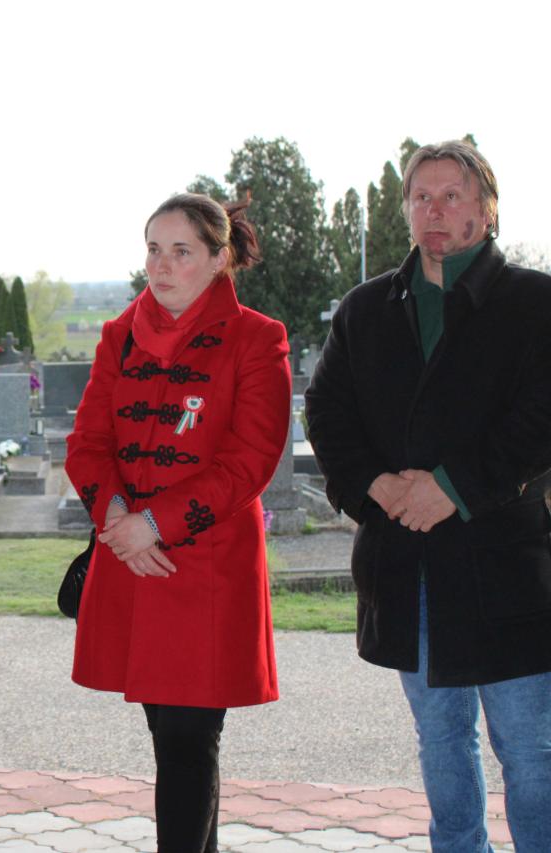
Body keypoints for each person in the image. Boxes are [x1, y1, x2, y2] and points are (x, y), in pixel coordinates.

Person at [305, 140, 551, 852]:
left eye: (451, 196)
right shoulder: (366, 308)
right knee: (441, 739)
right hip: (406, 561)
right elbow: (327, 411)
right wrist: (374, 485)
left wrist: (453, 487)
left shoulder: (535, 303)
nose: (434, 211)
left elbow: (541, 418)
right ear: (406, 209)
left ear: (487, 209)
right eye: (421, 197)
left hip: (507, 563)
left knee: (530, 750)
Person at [66, 194, 291, 853]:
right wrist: (119, 522)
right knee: (169, 736)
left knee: (190, 740)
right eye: (153, 250)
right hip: (132, 560)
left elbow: (250, 459)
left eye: (181, 251)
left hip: (206, 569)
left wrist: (155, 524)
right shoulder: (117, 335)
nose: (161, 266)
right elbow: (87, 444)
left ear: (219, 260)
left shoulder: (258, 338)